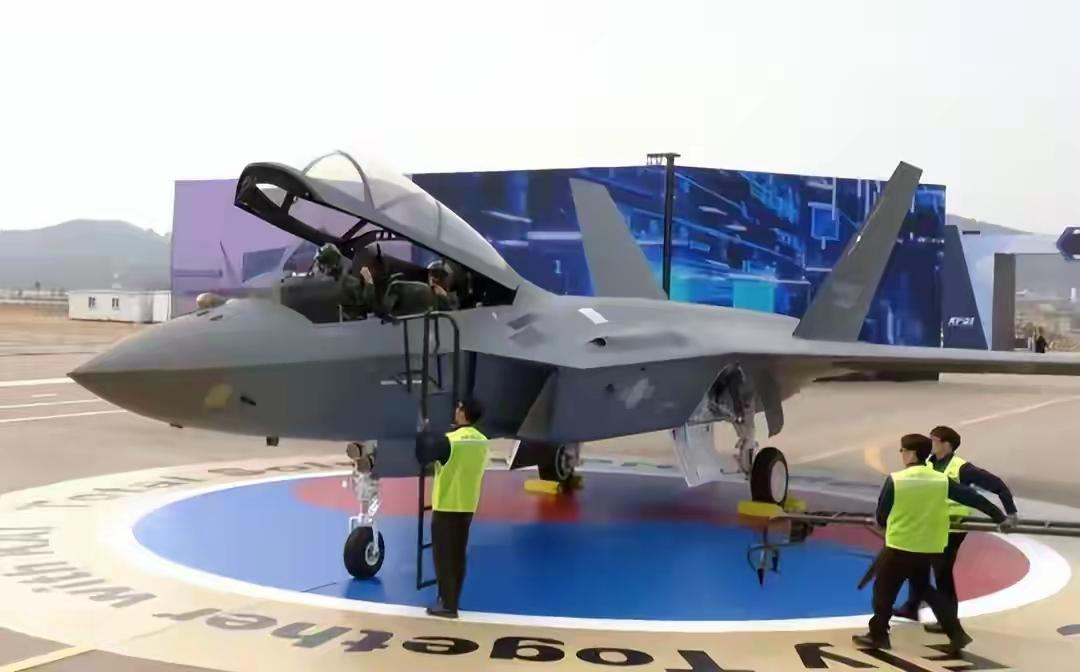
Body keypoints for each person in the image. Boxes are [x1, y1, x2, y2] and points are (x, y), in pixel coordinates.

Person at [852, 434, 1008, 654]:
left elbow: (881, 515)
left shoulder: (897, 479)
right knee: (926, 589)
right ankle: (956, 633)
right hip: (929, 547)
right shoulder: (940, 480)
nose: (901, 454)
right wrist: (999, 517)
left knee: (884, 590)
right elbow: (972, 498)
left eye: (903, 450)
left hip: (900, 545)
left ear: (911, 454)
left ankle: (878, 635)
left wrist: (887, 522)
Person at [894, 425, 1018, 629]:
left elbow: (996, 485)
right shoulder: (927, 463)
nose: (930, 444)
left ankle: (948, 621)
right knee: (918, 565)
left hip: (952, 529)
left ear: (947, 445)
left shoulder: (961, 468)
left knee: (942, 573)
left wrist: (1010, 513)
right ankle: (912, 607)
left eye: (934, 440)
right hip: (931, 524)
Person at [414, 398, 489, 618]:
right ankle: (452, 598)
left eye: (459, 407)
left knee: (443, 557)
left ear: (463, 413)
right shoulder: (482, 441)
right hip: (467, 505)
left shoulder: (450, 441)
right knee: (457, 556)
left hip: (447, 505)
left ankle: (448, 605)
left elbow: (423, 456)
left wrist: (422, 432)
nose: (456, 410)